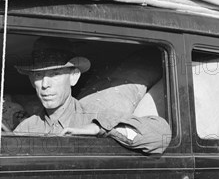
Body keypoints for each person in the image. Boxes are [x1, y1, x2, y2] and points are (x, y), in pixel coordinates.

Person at [13, 37, 171, 154]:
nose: (45, 84)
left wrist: (97, 129)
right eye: (39, 76)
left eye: (55, 74)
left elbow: (161, 135)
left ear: (74, 77)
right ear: (33, 81)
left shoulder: (95, 116)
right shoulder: (27, 128)